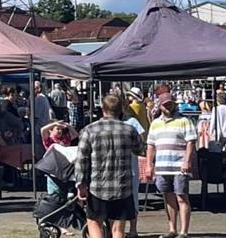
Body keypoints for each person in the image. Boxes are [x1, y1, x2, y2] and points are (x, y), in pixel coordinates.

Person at [75, 95, 142, 238]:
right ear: (121, 110)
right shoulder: (129, 130)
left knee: (94, 223)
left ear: (103, 109)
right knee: (118, 228)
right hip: (123, 185)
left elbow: (81, 160)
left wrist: (80, 184)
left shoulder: (89, 130)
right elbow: (140, 149)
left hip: (97, 185)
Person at [145, 93, 197, 238]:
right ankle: (172, 229)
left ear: (174, 103)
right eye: (165, 104)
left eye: (170, 103)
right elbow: (150, 145)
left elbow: (191, 142)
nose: (168, 106)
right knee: (168, 197)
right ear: (160, 105)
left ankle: (184, 231)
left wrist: (187, 161)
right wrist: (149, 165)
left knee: (181, 196)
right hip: (162, 166)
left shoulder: (185, 120)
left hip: (179, 166)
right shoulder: (155, 123)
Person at [122, 108, 146, 238]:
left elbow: (141, 138)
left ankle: (133, 229)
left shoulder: (132, 121)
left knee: (133, 198)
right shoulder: (108, 123)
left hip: (131, 167)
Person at [34, 81, 54, 145]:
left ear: (39, 88)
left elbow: (36, 116)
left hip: (39, 128)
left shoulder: (39, 98)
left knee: (39, 148)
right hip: (45, 126)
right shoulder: (44, 97)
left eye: (34, 88)